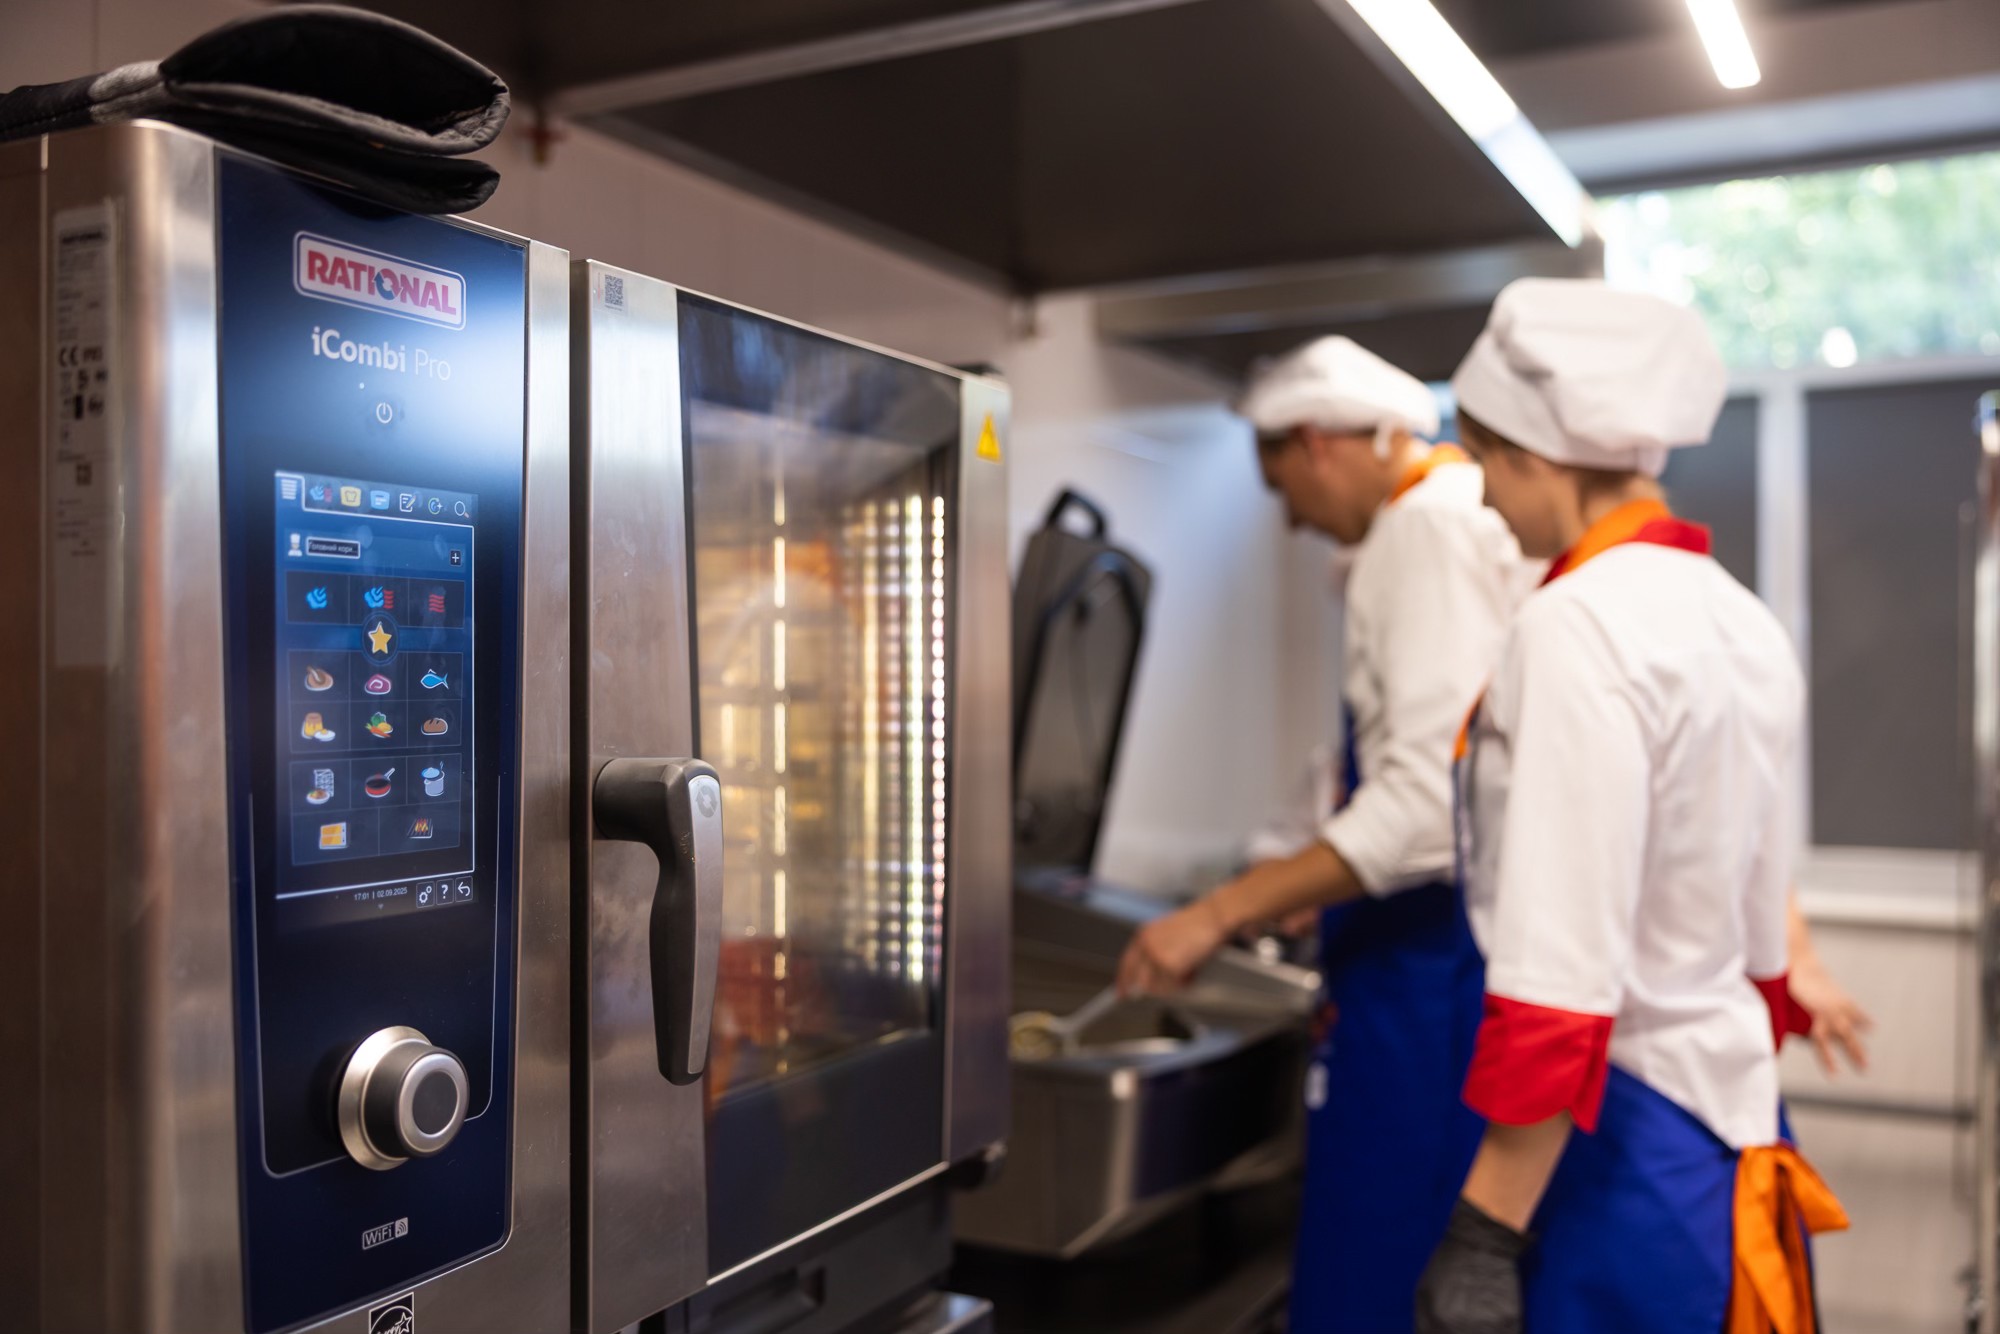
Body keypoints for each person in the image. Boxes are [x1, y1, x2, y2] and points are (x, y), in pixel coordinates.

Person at [1414, 278, 1848, 1333]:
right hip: (1724, 1138)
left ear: (1537, 456)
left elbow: (1561, 976)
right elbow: (1759, 914)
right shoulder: (1739, 619)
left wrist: (1484, 1230)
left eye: (1482, 462)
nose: (1480, 500)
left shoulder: (1575, 625)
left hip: (1610, 1145)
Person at [1115, 335, 1528, 1330]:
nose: (1293, 518)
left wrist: (1215, 912)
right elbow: (1406, 755)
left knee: (1379, 1276)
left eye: (1282, 488)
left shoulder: (1421, 532)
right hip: (1418, 971)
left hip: (1426, 985)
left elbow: (1424, 807)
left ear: (1316, 443)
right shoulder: (1443, 521)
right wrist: (1290, 860)